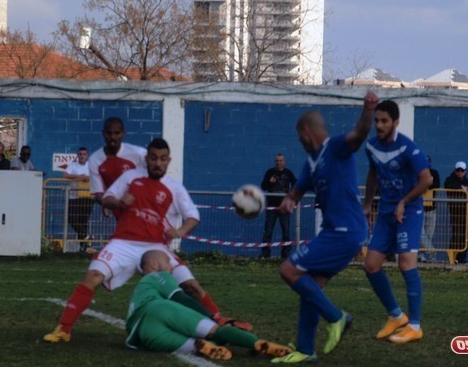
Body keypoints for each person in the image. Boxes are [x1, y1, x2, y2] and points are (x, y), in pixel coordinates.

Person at [44, 138, 243, 343]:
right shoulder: (130, 177)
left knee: (191, 286)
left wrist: (180, 230)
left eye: (163, 159)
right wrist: (119, 202)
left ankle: (218, 324)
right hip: (123, 243)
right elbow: (108, 197)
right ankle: (64, 329)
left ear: (168, 160)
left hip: (156, 247)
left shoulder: (174, 187)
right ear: (147, 159)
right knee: (93, 275)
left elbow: (193, 216)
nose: (158, 163)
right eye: (154, 158)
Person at [274, 91, 378, 364]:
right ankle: (306, 350)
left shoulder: (335, 148)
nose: (299, 142)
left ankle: (337, 318)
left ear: (306, 131)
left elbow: (360, 133)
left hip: (345, 232)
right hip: (337, 233)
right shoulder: (310, 164)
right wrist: (288, 201)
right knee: (311, 287)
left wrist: (368, 108)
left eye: (299, 137)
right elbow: (295, 194)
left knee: (288, 269)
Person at [125, 249, 292, 360]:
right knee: (214, 330)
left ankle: (202, 346)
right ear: (154, 264)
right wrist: (213, 317)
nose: (171, 267)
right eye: (168, 262)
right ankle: (256, 343)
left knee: (195, 344)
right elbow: (180, 298)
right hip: (158, 309)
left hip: (144, 334)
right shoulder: (156, 276)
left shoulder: (137, 293)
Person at [362, 100, 432, 344]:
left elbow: (426, 180)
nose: (379, 125)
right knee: (370, 265)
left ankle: (414, 325)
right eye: (377, 120)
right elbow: (373, 174)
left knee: (406, 264)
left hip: (409, 212)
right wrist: (368, 204)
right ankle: (396, 316)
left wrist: (404, 201)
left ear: (395, 122)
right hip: (385, 214)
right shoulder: (371, 147)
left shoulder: (408, 148)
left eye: (384, 121)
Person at [87, 117, 147, 205]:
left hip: (141, 206)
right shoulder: (94, 159)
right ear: (103, 133)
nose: (113, 137)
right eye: (109, 133)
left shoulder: (139, 154)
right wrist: (107, 203)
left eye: (117, 133)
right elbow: (98, 193)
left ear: (123, 133)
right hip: (118, 209)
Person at [259, 154, 297, 259]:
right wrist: (269, 182)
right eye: (276, 161)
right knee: (268, 230)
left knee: (286, 231)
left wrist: (292, 196)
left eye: (280, 161)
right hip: (272, 206)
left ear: (284, 162)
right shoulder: (270, 172)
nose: (278, 163)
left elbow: (296, 183)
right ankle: (265, 254)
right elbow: (263, 187)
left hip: (284, 206)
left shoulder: (288, 173)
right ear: (274, 162)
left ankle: (285, 254)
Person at [62, 147, 95, 252]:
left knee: (83, 221)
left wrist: (89, 178)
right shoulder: (73, 165)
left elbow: (97, 177)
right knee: (71, 219)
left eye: (84, 154)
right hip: (74, 197)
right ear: (77, 155)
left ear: (87, 155)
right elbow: (65, 175)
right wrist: (79, 176)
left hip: (87, 196)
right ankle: (86, 236)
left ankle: (83, 247)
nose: (82, 156)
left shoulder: (91, 166)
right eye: (80, 154)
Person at [444, 161, 468, 264]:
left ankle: (461, 258)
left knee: (465, 237)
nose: (460, 172)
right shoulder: (450, 180)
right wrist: (461, 189)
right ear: (455, 170)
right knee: (456, 235)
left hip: (467, 213)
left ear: (465, 171)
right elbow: (449, 186)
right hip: (456, 212)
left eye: (462, 170)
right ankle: (452, 258)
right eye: (458, 170)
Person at [418, 157, 441, 263]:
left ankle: (422, 255)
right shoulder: (417, 172)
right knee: (420, 233)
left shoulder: (434, 173)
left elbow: (437, 184)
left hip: (431, 208)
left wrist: (426, 185)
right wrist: (426, 184)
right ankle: (432, 251)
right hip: (419, 207)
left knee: (429, 234)